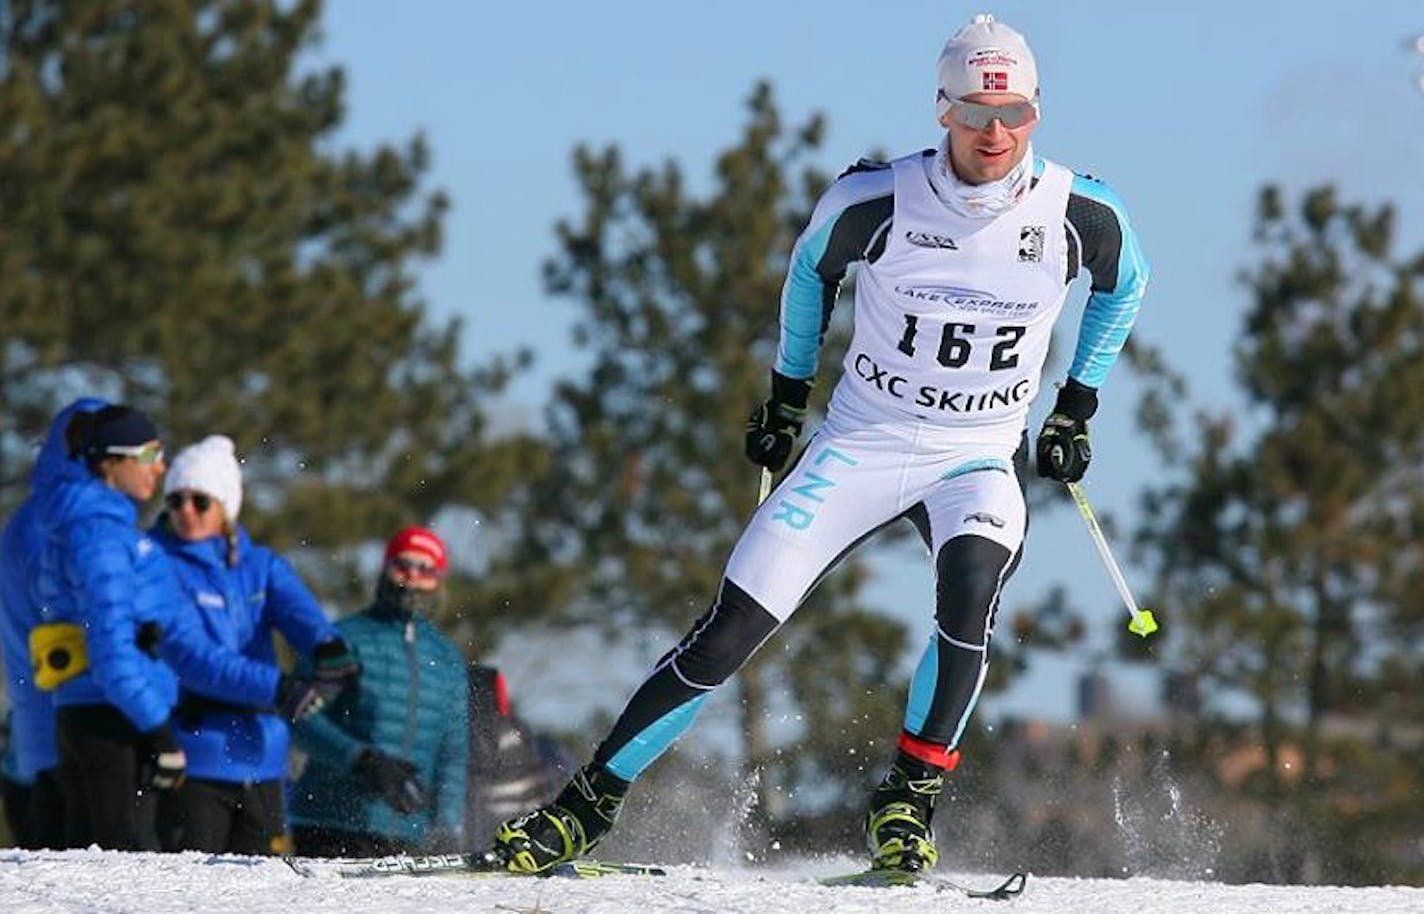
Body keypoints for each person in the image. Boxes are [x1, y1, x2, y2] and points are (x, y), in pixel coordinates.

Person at [492, 13, 1149, 875]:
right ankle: (584, 807)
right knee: (730, 630)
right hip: (863, 442)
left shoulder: (1080, 213)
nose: (997, 133)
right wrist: (789, 393)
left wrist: (1076, 406)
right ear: (942, 110)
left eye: (1016, 113)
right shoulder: (875, 201)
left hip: (977, 453)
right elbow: (811, 274)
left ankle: (908, 799)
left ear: (1036, 112)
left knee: (971, 592)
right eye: (976, 112)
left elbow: (1125, 286)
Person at [31, 404, 334, 850]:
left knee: (105, 869)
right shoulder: (102, 535)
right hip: (112, 724)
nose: (161, 467)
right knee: (125, 876)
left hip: (111, 718)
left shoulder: (107, 529)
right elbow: (113, 649)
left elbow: (176, 643)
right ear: (113, 463)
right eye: (150, 453)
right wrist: (159, 731)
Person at [152, 435, 359, 854]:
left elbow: (301, 613)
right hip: (195, 759)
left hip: (264, 761)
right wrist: (278, 687)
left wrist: (327, 648)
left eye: (200, 501)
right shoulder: (157, 564)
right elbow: (193, 658)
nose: (186, 511)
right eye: (175, 501)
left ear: (226, 505)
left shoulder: (261, 566)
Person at [290, 526, 469, 857]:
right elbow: (300, 718)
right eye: (403, 565)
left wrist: (447, 824)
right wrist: (362, 759)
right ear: (385, 570)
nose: (412, 577)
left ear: (439, 581)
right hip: (328, 824)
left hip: (407, 836)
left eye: (425, 569)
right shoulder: (343, 639)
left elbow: (453, 751)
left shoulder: (448, 660)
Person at [0, 397, 106, 849]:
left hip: (36, 741)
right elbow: (85, 622)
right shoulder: (58, 525)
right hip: (64, 741)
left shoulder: (34, 516)